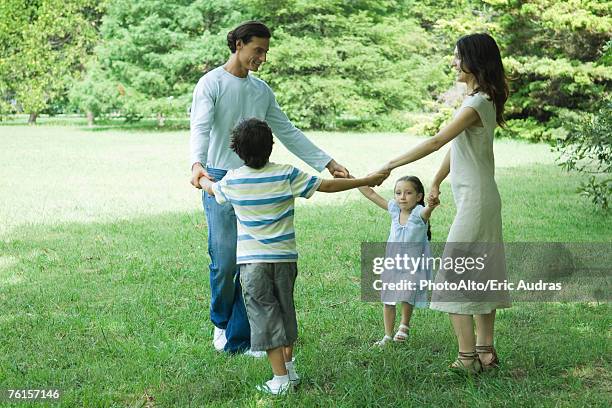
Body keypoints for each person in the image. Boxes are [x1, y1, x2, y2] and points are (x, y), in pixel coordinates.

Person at [189, 21, 349, 355]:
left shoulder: (261, 91)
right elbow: (200, 127)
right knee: (224, 260)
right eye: (257, 50)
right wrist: (197, 165)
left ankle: (241, 334)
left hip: (256, 179)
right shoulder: (211, 83)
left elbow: (287, 131)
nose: (262, 57)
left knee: (251, 263)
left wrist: (327, 162)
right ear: (238, 45)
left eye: (265, 51)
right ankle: (220, 323)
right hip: (219, 178)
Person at [200, 118, 387, 394]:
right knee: (285, 310)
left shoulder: (234, 180)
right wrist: (367, 180)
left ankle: (280, 380)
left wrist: (201, 176)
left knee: (265, 316)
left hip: (254, 264)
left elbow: (211, 189)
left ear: (236, 151)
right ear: (271, 147)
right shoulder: (287, 174)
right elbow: (326, 185)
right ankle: (290, 370)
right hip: (285, 260)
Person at [376, 33, 511, 373]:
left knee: (454, 275)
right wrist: (436, 180)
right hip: (480, 198)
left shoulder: (477, 102)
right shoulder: (481, 99)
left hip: (477, 201)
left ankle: (468, 359)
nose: (453, 62)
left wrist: (391, 164)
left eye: (457, 56)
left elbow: (437, 140)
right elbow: (455, 147)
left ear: (474, 61)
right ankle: (484, 352)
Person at [357, 176, 439, 346]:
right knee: (388, 299)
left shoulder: (419, 213)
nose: (402, 197)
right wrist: (352, 180)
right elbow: (371, 194)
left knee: (407, 294)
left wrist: (431, 204)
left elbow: (428, 210)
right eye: (398, 193)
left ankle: (404, 325)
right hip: (392, 264)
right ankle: (387, 335)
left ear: (418, 197)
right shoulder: (394, 210)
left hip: (412, 266)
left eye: (408, 193)